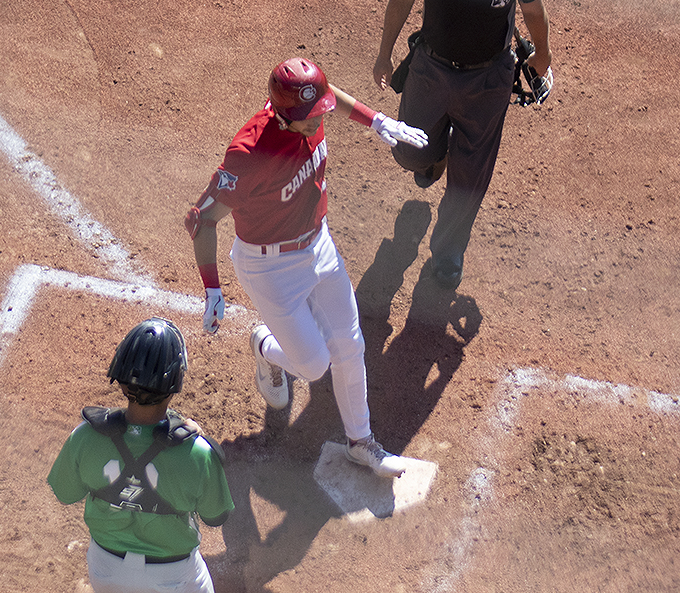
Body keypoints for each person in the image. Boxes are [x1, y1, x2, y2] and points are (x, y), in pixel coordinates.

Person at [184, 57, 428, 478]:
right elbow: (201, 218)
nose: (319, 123)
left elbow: (333, 100)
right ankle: (265, 347)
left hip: (319, 245)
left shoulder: (307, 111)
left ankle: (361, 442)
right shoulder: (249, 156)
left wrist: (378, 121)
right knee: (314, 366)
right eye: (308, 118)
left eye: (320, 113)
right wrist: (212, 288)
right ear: (281, 113)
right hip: (271, 269)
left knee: (351, 347)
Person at [373, 0, 554, 289]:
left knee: (471, 173)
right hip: (431, 69)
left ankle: (449, 252)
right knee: (409, 150)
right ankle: (432, 155)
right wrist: (385, 54)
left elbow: (533, 10)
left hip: (486, 79)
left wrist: (542, 52)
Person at [47, 317, 234, 593]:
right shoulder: (197, 453)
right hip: (174, 578)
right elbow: (215, 517)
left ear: (120, 376)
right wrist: (201, 438)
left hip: (105, 570)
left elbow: (65, 494)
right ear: (175, 382)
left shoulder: (84, 437)